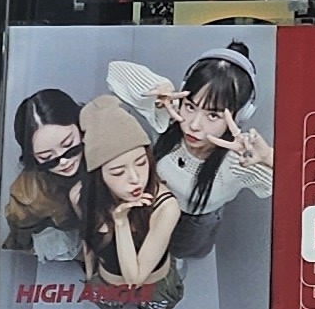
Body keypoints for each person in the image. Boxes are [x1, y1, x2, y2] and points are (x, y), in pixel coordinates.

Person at [110, 46, 274, 214]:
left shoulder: (238, 160)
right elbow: (115, 70)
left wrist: (268, 158)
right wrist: (159, 87)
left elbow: (291, 189)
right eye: (190, 106)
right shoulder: (170, 115)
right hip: (147, 208)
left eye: (213, 115)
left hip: (193, 225)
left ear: (239, 116)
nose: (194, 125)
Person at [70, 92, 189, 308]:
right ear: (98, 175)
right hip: (108, 282)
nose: (135, 179)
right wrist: (90, 275)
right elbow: (88, 239)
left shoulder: (166, 206)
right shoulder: (80, 196)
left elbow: (135, 278)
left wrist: (121, 222)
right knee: (107, 308)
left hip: (155, 284)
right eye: (118, 172)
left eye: (141, 163)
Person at [4, 85, 87, 251]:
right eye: (46, 157)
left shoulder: (107, 145)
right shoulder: (27, 197)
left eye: (68, 144)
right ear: (32, 158)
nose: (63, 161)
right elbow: (23, 242)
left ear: (81, 127)